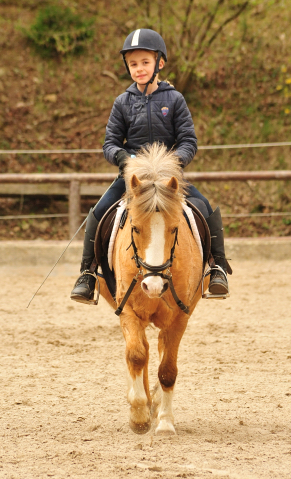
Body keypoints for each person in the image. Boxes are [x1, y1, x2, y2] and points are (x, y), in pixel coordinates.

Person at [71, 28, 231, 304]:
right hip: (135, 178)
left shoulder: (175, 99)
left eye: (145, 62)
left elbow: (188, 141)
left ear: (160, 62)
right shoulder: (122, 102)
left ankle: (217, 268)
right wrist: (122, 159)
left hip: (169, 178)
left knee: (204, 207)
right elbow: (110, 143)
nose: (139, 69)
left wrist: (174, 163)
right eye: (133, 64)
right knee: (98, 211)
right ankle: (88, 273)